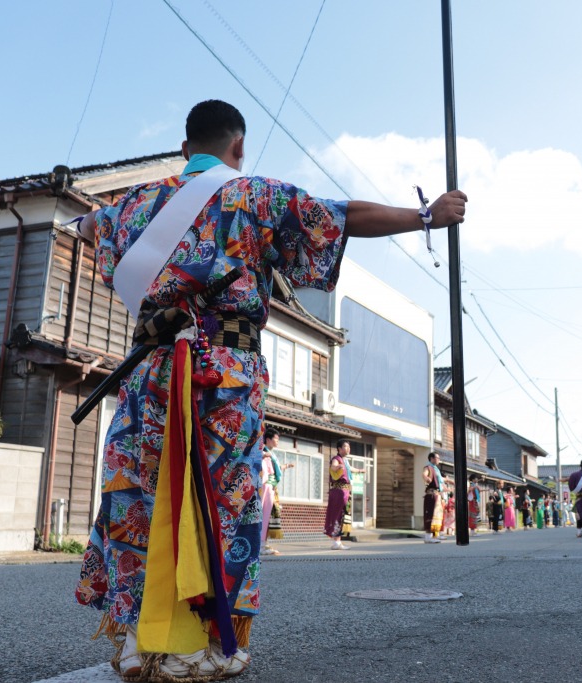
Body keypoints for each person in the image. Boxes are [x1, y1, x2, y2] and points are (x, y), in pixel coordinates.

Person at [74, 99, 468, 679]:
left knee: (139, 494)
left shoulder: (134, 203)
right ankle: (210, 644)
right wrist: (426, 216)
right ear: (238, 147)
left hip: (149, 372)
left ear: (185, 149)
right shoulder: (255, 196)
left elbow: (89, 227)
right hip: (223, 373)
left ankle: (137, 643)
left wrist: (99, 228)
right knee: (224, 500)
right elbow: (343, 216)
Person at [326, 440, 362, 551]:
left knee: (342, 515)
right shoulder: (336, 459)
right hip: (339, 491)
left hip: (344, 491)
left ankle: (338, 541)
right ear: (339, 449)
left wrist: (360, 470)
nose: (348, 448)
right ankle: (336, 542)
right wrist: (337, 467)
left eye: (349, 447)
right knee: (338, 515)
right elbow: (333, 467)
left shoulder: (345, 461)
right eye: (346, 446)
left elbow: (350, 469)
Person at [260, 428, 291, 556]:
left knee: (268, 515)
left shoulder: (271, 454)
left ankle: (264, 542)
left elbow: (275, 468)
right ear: (268, 439)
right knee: (263, 514)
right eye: (276, 439)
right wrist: (263, 454)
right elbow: (256, 458)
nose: (277, 441)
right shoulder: (262, 450)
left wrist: (286, 466)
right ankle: (260, 544)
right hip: (266, 485)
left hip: (271, 486)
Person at [422, 452, 446, 543]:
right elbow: (424, 474)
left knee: (436, 515)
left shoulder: (436, 469)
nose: (439, 459)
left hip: (436, 494)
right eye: (437, 458)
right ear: (432, 458)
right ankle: (428, 537)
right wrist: (426, 478)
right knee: (430, 515)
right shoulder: (428, 467)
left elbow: (440, 480)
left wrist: (450, 481)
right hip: (431, 494)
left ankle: (434, 536)